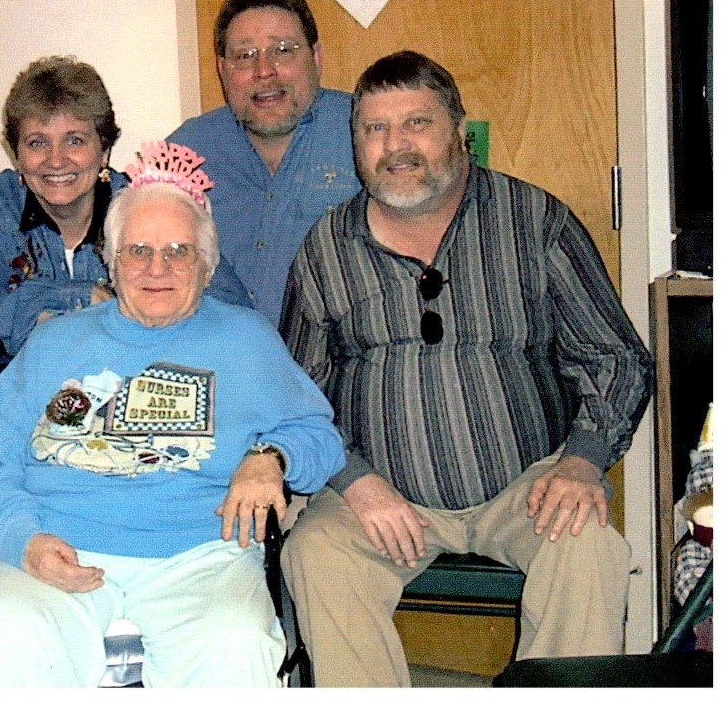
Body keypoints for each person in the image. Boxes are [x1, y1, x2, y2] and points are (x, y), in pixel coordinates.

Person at [278, 51, 654, 686]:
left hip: (527, 485)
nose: (396, 146)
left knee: (589, 549)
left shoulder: (535, 221)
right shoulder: (325, 248)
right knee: (314, 553)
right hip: (381, 493)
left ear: (458, 130)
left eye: (416, 123)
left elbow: (617, 356)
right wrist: (356, 480)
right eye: (374, 129)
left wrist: (583, 460)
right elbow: (297, 390)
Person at [0, 141, 345, 687]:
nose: (157, 267)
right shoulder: (53, 343)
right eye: (137, 250)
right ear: (110, 264)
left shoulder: (245, 340)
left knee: (238, 644)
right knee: (6, 633)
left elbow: (319, 438)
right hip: (51, 546)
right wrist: (23, 541)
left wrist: (270, 456)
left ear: (207, 266)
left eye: (179, 251)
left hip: (200, 557)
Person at [0, 55, 250, 385]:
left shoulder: (145, 206)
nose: (56, 160)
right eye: (37, 142)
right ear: (17, 154)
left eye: (74, 140)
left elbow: (229, 304)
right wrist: (78, 297)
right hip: (20, 399)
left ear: (104, 150)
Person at [168, 0, 361, 325]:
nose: (264, 71)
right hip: (223, 366)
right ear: (222, 69)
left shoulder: (364, 132)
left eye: (283, 50)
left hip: (343, 367)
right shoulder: (185, 155)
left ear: (316, 58)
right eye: (245, 56)